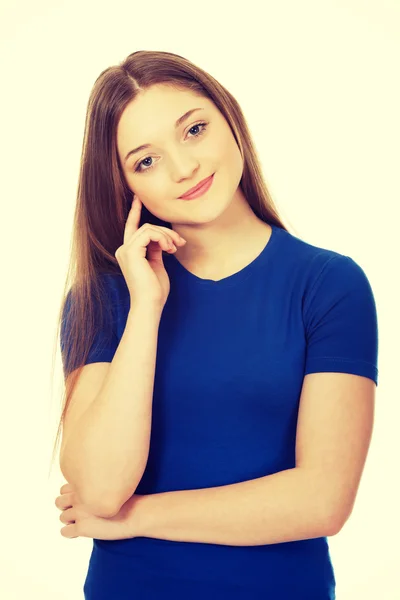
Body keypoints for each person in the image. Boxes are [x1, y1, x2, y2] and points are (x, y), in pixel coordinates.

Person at [54, 50, 378, 599]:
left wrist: (135, 519)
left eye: (195, 130)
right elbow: (101, 489)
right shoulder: (104, 298)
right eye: (145, 161)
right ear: (126, 187)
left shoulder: (329, 285)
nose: (183, 168)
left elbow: (322, 500)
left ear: (230, 119)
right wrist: (146, 307)